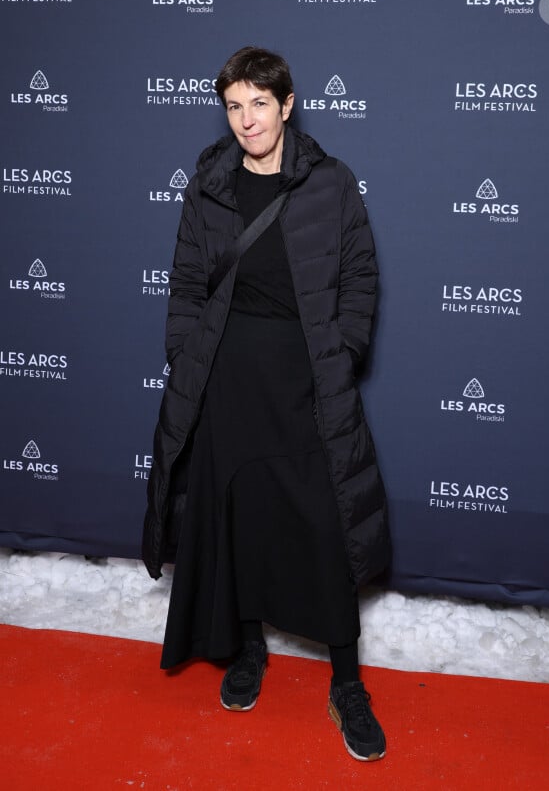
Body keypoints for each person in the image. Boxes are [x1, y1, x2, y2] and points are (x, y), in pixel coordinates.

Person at [143, 46, 390, 762]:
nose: (247, 119)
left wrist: (340, 352)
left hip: (304, 376)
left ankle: (347, 683)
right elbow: (187, 280)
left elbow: (360, 275)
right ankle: (248, 650)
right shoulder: (211, 184)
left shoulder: (330, 183)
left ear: (287, 105)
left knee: (324, 523)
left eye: (259, 103)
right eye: (234, 105)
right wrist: (187, 355)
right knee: (239, 517)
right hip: (227, 376)